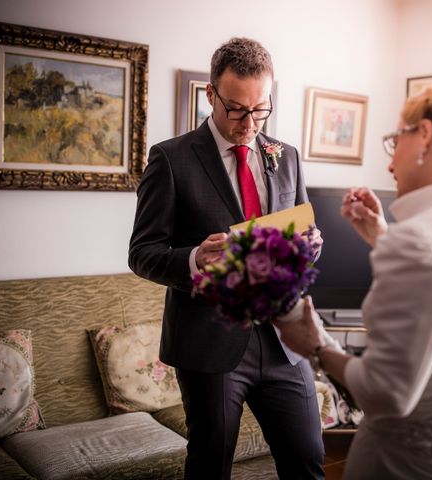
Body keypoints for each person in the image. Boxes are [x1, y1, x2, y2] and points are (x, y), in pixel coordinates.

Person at [275, 85, 432, 480]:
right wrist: (383, 236)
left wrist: (317, 347)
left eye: (395, 140)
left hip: (402, 465)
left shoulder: (420, 240)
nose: (391, 164)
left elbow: (385, 393)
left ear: (425, 135)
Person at [128, 37, 324, 479]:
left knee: (308, 461)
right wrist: (196, 258)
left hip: (283, 340)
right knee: (210, 466)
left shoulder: (286, 156)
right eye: (237, 108)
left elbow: (302, 230)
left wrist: (309, 247)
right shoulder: (171, 158)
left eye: (261, 109)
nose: (250, 122)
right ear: (211, 94)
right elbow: (142, 253)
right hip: (209, 343)